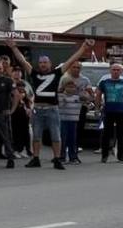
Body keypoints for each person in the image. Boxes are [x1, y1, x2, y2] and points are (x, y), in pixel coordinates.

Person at [8, 39, 91, 171]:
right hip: (38, 109)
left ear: (50, 64)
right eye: (41, 62)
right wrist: (14, 48)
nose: (42, 65)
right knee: (36, 135)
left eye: (45, 62)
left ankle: (57, 159)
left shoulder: (57, 73)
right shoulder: (34, 73)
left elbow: (70, 60)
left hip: (52, 109)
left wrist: (83, 48)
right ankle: (35, 158)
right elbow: (23, 61)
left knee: (55, 135)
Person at [96, 62, 123, 163]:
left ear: (121, 72)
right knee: (106, 134)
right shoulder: (104, 83)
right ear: (110, 71)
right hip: (108, 111)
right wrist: (97, 108)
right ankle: (104, 155)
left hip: (121, 112)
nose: (116, 71)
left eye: (118, 70)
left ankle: (120, 156)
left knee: (121, 135)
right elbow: (98, 95)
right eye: (114, 70)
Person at [58, 79, 84, 166]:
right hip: (63, 120)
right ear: (64, 87)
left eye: (73, 87)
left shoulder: (78, 97)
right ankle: (61, 157)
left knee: (72, 140)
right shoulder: (60, 96)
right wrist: (64, 101)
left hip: (73, 120)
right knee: (62, 139)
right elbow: (59, 106)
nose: (71, 89)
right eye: (69, 87)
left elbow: (89, 102)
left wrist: (85, 96)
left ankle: (73, 157)